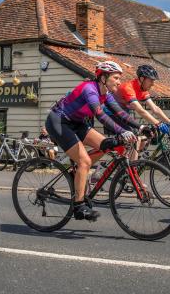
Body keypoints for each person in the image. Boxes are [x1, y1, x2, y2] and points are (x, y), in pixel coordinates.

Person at [45, 60, 142, 221]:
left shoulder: (106, 94)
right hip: (59, 122)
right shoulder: (90, 90)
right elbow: (100, 115)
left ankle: (78, 171)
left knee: (106, 145)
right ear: (103, 77)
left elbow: (120, 113)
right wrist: (122, 131)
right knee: (85, 162)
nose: (119, 81)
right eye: (116, 78)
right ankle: (78, 206)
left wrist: (140, 127)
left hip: (77, 122)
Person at [114, 64, 170, 150]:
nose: (153, 84)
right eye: (151, 80)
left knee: (143, 138)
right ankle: (130, 162)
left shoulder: (143, 90)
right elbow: (140, 110)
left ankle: (132, 161)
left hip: (124, 113)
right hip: (112, 113)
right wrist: (158, 123)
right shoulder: (128, 88)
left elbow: (155, 108)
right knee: (134, 139)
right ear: (142, 79)